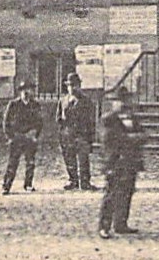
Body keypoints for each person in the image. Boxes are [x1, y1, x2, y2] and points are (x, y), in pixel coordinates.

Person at [98, 85, 145, 237]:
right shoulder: (108, 120)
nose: (123, 104)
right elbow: (112, 140)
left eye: (125, 100)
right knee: (111, 194)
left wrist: (134, 138)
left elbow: (144, 135)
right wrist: (132, 139)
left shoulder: (132, 118)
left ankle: (121, 223)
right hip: (115, 161)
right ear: (113, 103)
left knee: (127, 192)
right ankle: (104, 226)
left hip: (130, 161)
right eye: (119, 101)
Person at [1, 81, 42, 195]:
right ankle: (6, 185)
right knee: (12, 162)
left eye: (29, 90)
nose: (26, 92)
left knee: (30, 163)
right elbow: (6, 122)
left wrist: (35, 134)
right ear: (20, 92)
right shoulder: (13, 104)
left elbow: (39, 122)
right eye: (24, 90)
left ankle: (28, 184)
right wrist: (10, 136)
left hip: (29, 137)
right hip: (17, 137)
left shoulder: (35, 105)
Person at [57, 74, 96, 191]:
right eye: (69, 85)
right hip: (67, 135)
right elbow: (58, 118)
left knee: (83, 159)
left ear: (79, 86)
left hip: (82, 135)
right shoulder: (63, 101)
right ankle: (72, 180)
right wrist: (62, 133)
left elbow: (91, 120)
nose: (72, 88)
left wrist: (90, 137)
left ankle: (85, 182)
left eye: (74, 85)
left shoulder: (86, 101)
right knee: (69, 158)